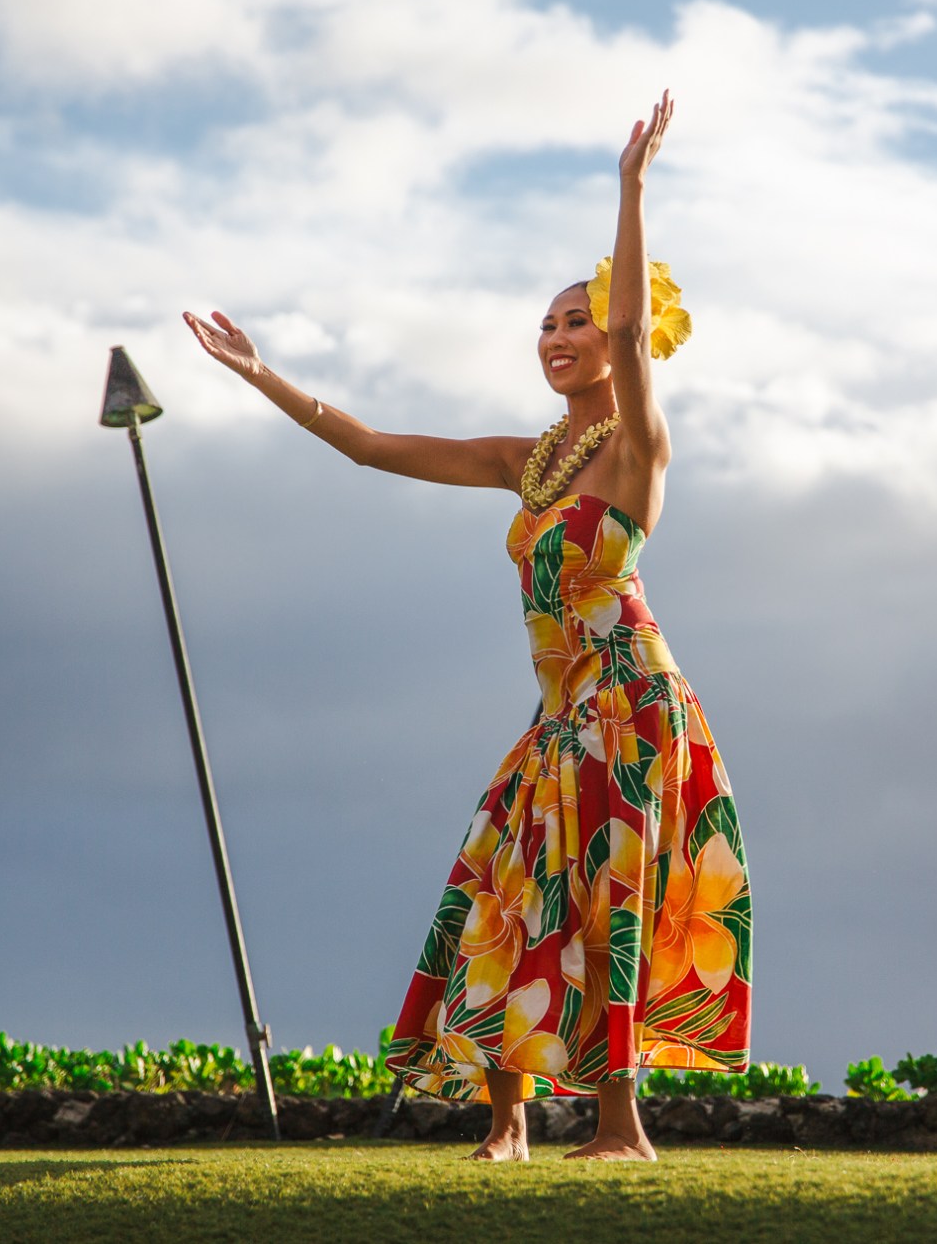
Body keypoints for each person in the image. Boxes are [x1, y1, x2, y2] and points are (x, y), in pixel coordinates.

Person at [185, 92, 750, 1162]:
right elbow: (367, 447)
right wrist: (262, 375)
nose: (558, 337)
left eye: (573, 320)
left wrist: (630, 191)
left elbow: (631, 326)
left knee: (605, 904)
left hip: (630, 704)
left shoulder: (637, 450)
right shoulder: (527, 463)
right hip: (558, 715)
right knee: (504, 881)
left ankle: (621, 1129)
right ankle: (508, 1123)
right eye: (546, 323)